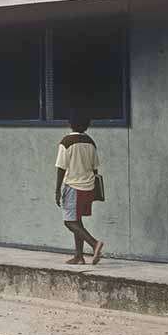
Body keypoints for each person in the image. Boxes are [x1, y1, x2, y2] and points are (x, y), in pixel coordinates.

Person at [55, 112, 104, 265]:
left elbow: (61, 168)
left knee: (69, 222)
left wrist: (57, 190)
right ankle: (79, 256)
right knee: (77, 221)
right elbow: (95, 168)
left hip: (74, 186)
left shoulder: (67, 141)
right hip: (88, 187)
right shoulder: (91, 142)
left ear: (70, 124)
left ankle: (94, 244)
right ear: (87, 126)